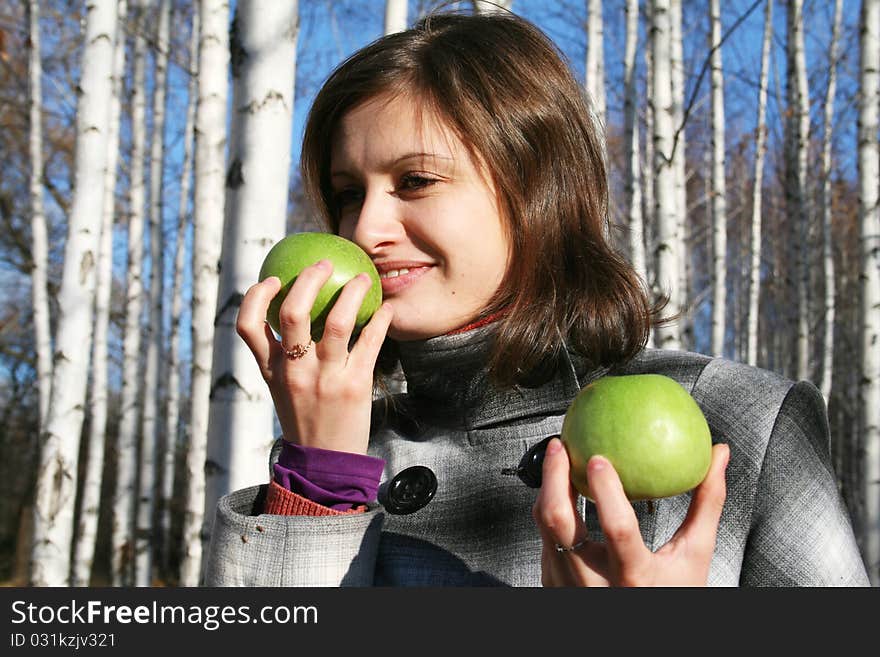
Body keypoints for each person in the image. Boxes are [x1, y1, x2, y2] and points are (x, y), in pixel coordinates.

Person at [203, 9, 869, 587]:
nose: (364, 229)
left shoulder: (735, 421)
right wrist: (319, 481)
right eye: (349, 193)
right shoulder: (338, 464)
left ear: (534, 194)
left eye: (415, 180)